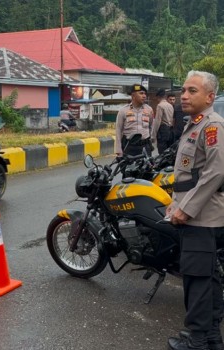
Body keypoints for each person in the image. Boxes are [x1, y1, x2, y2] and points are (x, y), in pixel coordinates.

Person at [166, 70, 224, 350]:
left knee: (197, 279)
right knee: (207, 277)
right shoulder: (195, 124)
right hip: (197, 212)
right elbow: (190, 174)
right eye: (184, 90)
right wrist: (176, 201)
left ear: (210, 97)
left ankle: (197, 340)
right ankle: (211, 336)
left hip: (203, 217)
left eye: (192, 91)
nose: (184, 95)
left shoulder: (213, 126)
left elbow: (215, 173)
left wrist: (185, 210)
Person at [115, 83, 153, 156]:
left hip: (145, 146)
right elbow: (118, 130)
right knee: (128, 167)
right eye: (141, 93)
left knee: (146, 167)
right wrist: (118, 149)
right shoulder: (123, 111)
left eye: (145, 94)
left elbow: (151, 126)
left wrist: (149, 140)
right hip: (129, 147)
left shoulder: (149, 110)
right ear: (133, 95)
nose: (144, 96)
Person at [151, 88, 174, 154]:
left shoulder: (160, 106)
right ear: (164, 96)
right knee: (169, 151)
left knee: (162, 152)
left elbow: (157, 122)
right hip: (170, 130)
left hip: (163, 130)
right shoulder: (170, 105)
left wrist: (153, 136)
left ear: (158, 97)